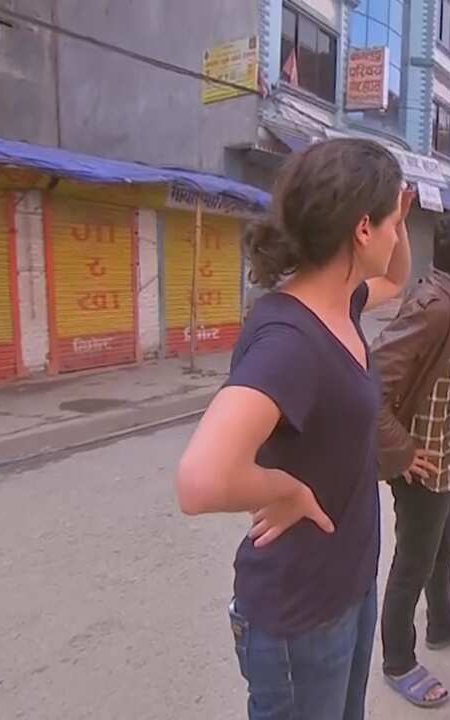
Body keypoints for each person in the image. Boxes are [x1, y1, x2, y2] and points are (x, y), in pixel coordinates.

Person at [174, 139, 413, 720]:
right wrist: (285, 490)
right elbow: (199, 481)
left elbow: (399, 280)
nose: (393, 235)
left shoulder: (342, 300)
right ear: (361, 229)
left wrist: (398, 219)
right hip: (300, 613)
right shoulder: (292, 339)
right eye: (388, 222)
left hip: (347, 585)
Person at [372, 207, 450, 708]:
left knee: (448, 542)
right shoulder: (436, 306)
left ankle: (442, 622)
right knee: (413, 563)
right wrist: (400, 453)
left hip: (442, 452)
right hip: (421, 460)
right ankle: (398, 660)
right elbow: (372, 380)